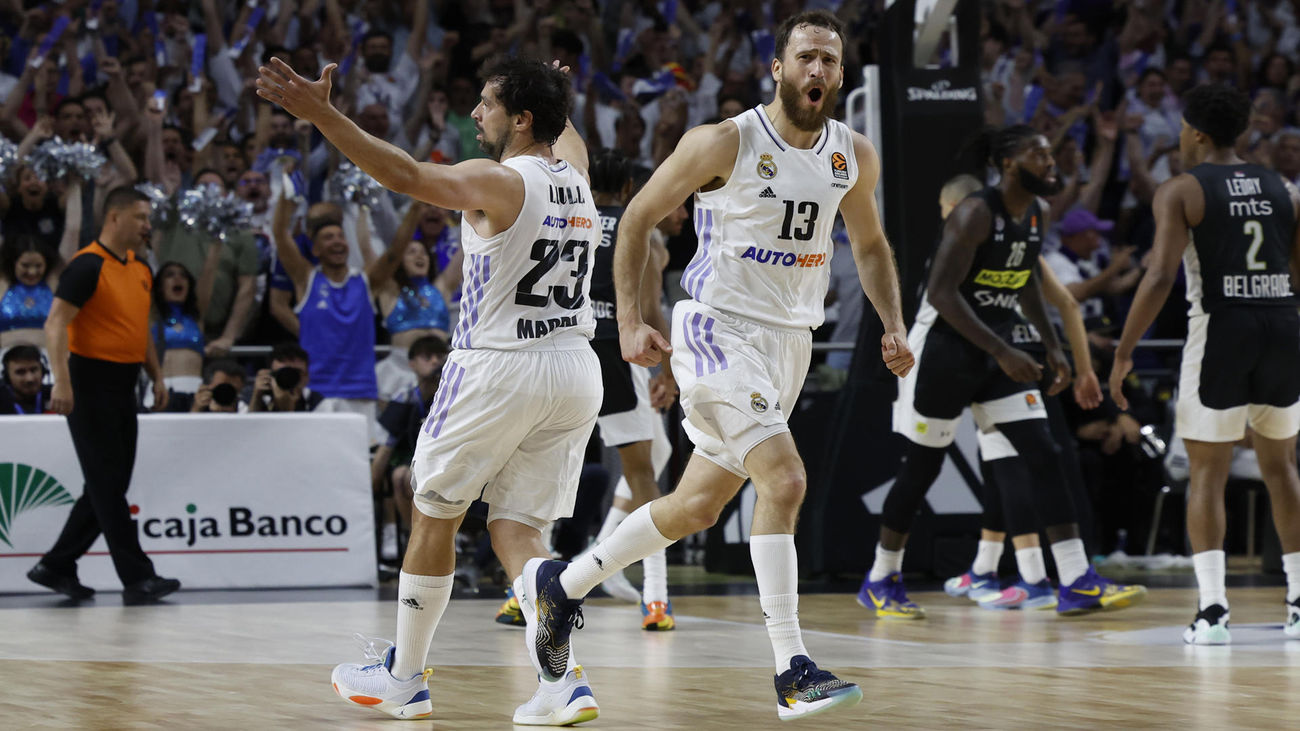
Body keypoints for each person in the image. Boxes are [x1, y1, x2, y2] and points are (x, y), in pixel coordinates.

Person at [526, 11, 910, 721]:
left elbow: (874, 246)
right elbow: (638, 217)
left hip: (788, 343)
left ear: (840, 72)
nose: (818, 71)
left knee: (698, 505)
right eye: (805, 58)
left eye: (829, 60)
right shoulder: (724, 140)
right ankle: (792, 666)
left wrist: (893, 323)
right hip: (717, 330)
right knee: (786, 478)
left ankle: (564, 583)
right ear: (778, 67)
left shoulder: (852, 152)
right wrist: (635, 319)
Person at [258, 55, 603, 724]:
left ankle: (405, 677)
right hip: (573, 368)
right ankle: (561, 680)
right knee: (518, 528)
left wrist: (323, 114)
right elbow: (567, 134)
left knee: (433, 508)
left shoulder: (498, 180)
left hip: (498, 366)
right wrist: (559, 93)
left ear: (522, 119)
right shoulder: (580, 178)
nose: (476, 114)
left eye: (489, 104)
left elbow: (406, 176)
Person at [867, 124, 1145, 620]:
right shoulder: (976, 214)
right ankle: (882, 575)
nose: (1052, 165)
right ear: (1011, 165)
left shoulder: (1034, 214)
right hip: (947, 354)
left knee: (1044, 452)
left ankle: (1077, 579)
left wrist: (1052, 346)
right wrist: (1002, 350)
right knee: (923, 468)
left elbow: (1027, 286)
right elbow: (941, 295)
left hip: (997, 354)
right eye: (1041, 157)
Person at [1110, 84, 1300, 645]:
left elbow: (1159, 276)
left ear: (1193, 132)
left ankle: (1214, 611)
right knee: (1282, 469)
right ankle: (1299, 599)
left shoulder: (1181, 190)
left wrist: (1123, 353)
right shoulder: (1284, 188)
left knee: (1207, 475)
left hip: (1222, 329)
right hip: (1283, 325)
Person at [26, 187, 180, 603]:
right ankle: (137, 577)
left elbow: (138, 326)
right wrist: (61, 380)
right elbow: (56, 323)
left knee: (107, 483)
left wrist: (156, 374)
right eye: (141, 217)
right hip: (87, 381)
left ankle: (56, 565)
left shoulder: (140, 267)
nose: (148, 226)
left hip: (124, 381)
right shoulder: (87, 265)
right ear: (115, 218)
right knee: (108, 486)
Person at [569, 147, 678, 629]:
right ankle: (655, 596)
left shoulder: (572, 222)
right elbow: (650, 310)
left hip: (566, 352)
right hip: (617, 351)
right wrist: (666, 373)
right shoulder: (642, 234)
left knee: (546, 481)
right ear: (631, 190)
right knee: (645, 477)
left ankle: (527, 590)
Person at [372, 203, 456, 402]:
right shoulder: (389, 290)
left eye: (423, 252)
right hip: (398, 370)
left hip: (440, 369)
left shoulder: (440, 288)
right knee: (391, 429)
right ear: (399, 262)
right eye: (411, 252)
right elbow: (374, 252)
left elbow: (464, 254)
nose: (419, 255)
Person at [0, 236, 59, 349]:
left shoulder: (55, 284)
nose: (32, 272)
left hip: (48, 358)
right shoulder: (2, 285)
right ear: (14, 263)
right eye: (25, 265)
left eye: (38, 266)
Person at [248, 342, 323, 413]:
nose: (290, 378)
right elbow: (246, 425)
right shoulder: (251, 397)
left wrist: (288, 409)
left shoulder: (319, 403)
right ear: (270, 375)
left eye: (297, 372)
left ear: (307, 376)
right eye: (283, 372)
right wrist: (256, 399)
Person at [0, 345, 50, 415]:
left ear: (43, 371)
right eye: (20, 372)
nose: (30, 379)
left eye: (34, 370)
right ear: (7, 376)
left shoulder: (56, 395)